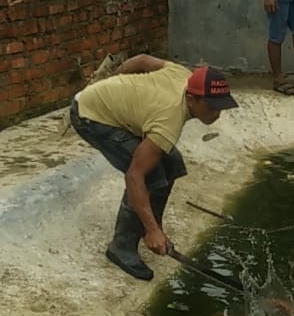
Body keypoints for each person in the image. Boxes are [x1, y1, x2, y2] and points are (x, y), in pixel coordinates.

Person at [69, 56, 238, 280]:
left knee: (172, 163)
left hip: (105, 105)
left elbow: (141, 60)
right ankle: (122, 247)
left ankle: (148, 226)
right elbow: (134, 176)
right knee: (150, 174)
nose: (217, 113)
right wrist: (153, 230)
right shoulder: (169, 119)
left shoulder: (183, 75)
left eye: (221, 105)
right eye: (212, 106)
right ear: (191, 98)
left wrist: (115, 80)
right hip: (90, 116)